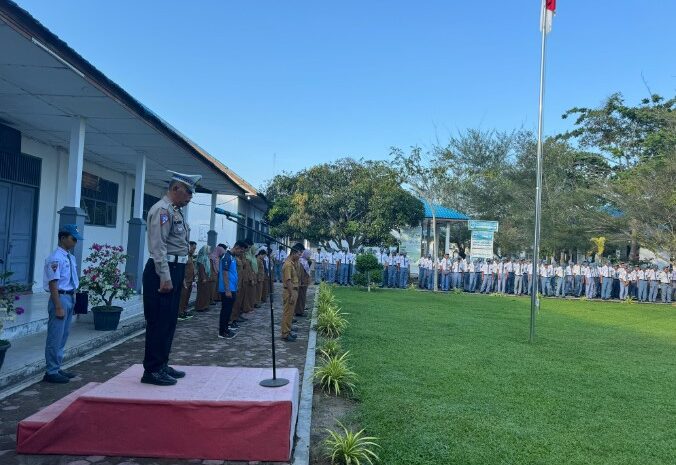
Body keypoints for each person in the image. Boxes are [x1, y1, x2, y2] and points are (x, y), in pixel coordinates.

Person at [142, 170, 200, 386]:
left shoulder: (175, 212)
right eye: (188, 192)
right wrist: (165, 277)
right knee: (158, 321)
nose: (190, 197)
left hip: (174, 269)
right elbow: (159, 247)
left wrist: (179, 275)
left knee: (168, 321)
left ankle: (162, 364)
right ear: (176, 189)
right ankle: (152, 370)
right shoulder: (162, 211)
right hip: (161, 272)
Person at [42, 224, 83, 383]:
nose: (75, 242)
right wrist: (58, 305)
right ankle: (51, 371)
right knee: (55, 336)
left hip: (69, 297)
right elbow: (53, 283)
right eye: (73, 239)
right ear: (63, 238)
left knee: (63, 336)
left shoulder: (69, 257)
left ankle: (57, 367)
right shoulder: (55, 258)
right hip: (59, 298)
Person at [218, 241, 245, 339]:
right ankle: (222, 332)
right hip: (227, 289)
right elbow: (225, 273)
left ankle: (226, 329)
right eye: (241, 251)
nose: (241, 253)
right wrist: (227, 289)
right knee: (225, 311)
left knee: (229, 311)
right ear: (237, 247)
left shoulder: (232, 257)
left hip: (232, 287)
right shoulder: (227, 257)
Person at [281, 244, 303, 342]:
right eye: (299, 254)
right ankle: (285, 334)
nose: (300, 256)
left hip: (293, 290)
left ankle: (288, 331)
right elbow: (288, 280)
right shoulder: (288, 264)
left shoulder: (293, 263)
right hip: (289, 290)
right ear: (294, 253)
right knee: (287, 313)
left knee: (290, 313)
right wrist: (291, 294)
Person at [177, 241, 197, 321]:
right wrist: (183, 280)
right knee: (182, 297)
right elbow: (181, 269)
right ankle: (180, 313)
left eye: (195, 248)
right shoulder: (184, 256)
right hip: (185, 281)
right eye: (193, 248)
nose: (194, 250)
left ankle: (184, 311)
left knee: (187, 297)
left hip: (190, 280)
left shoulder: (190, 256)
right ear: (189, 246)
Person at [195, 245, 212, 312]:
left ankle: (205, 306)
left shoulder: (206, 257)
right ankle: (200, 307)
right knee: (201, 293)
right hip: (203, 277)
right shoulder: (202, 258)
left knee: (206, 292)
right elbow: (201, 269)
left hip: (206, 276)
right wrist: (203, 278)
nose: (210, 251)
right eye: (209, 249)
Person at [296, 249, 311, 317]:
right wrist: (302, 282)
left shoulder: (304, 261)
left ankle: (301, 310)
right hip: (302, 283)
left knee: (302, 297)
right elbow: (301, 273)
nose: (309, 256)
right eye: (308, 255)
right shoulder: (302, 262)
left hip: (304, 282)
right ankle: (299, 311)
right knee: (301, 297)